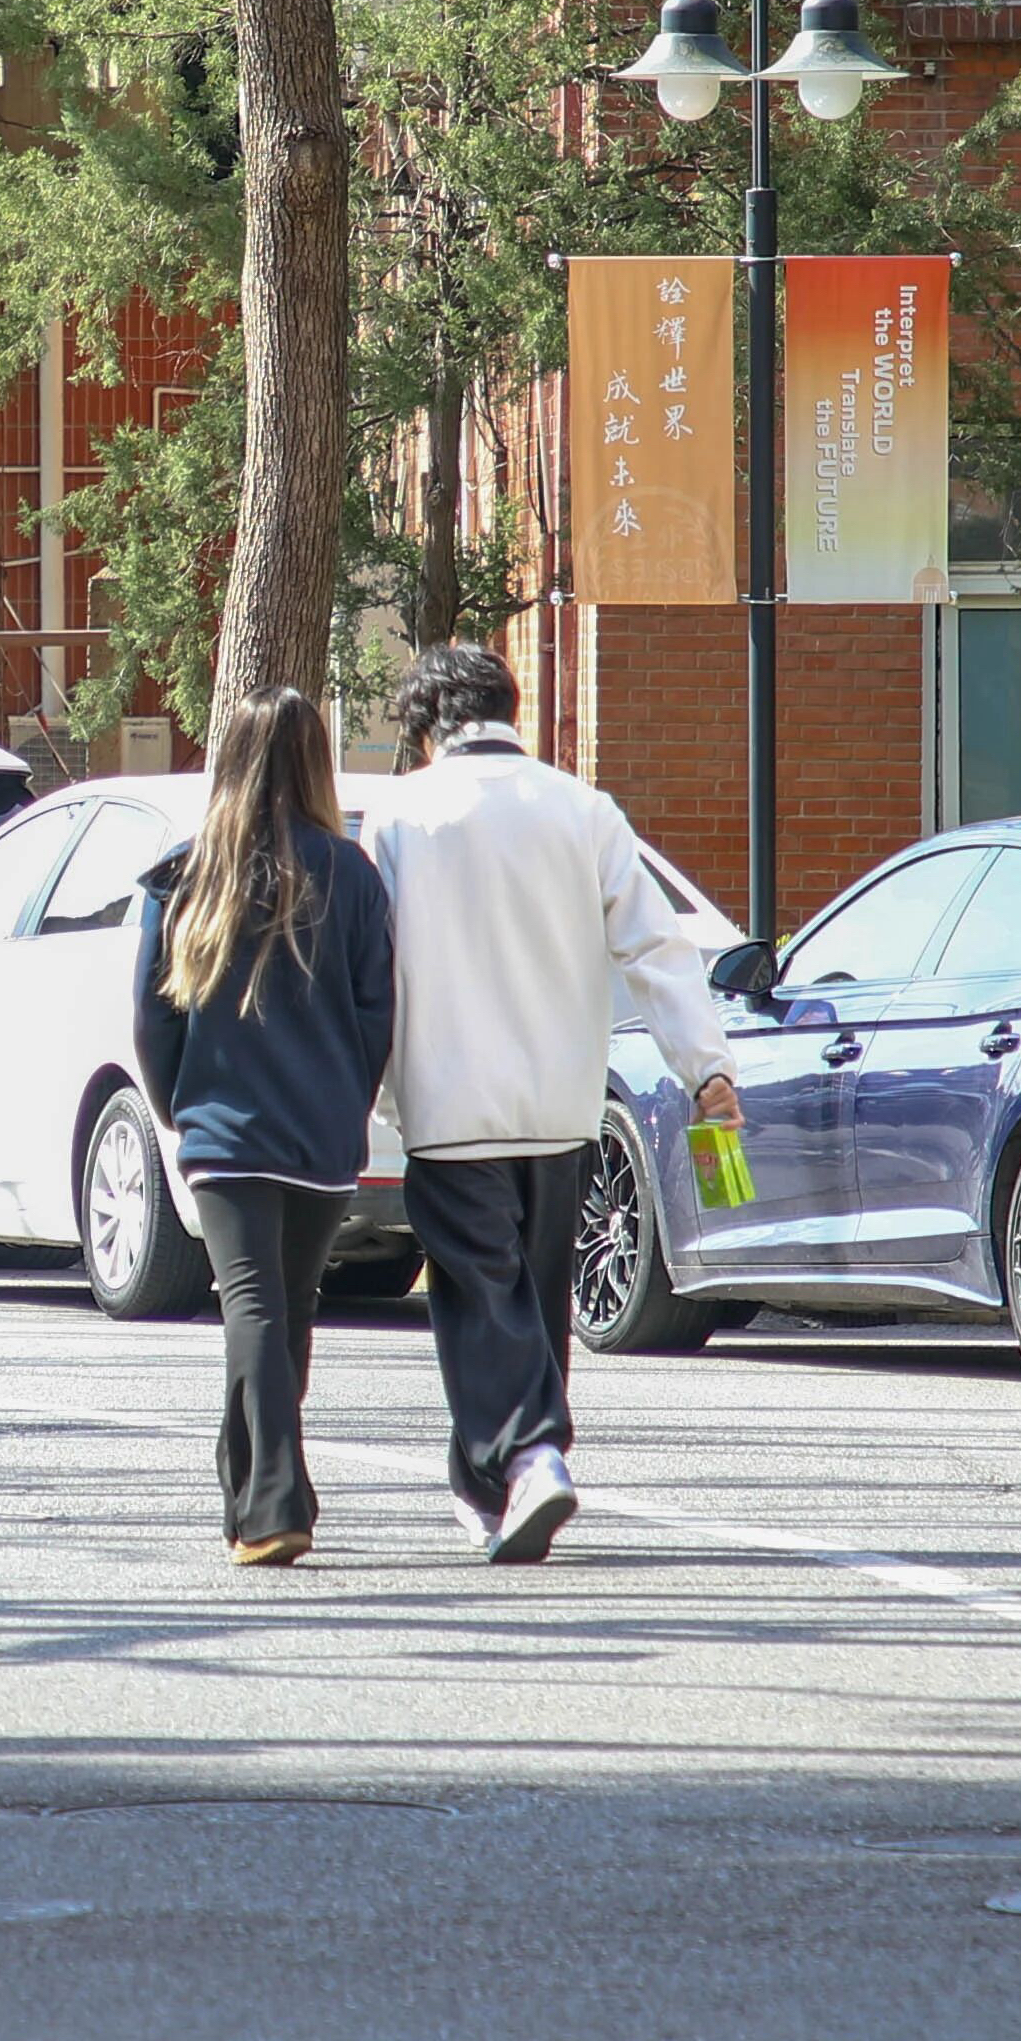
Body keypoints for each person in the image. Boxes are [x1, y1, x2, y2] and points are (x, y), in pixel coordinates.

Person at [347, 644, 740, 1562]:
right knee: (536, 1295)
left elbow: (371, 966)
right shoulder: (583, 808)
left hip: (449, 1098)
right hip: (561, 1098)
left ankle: (530, 1456)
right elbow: (656, 947)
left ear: (424, 728)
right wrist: (705, 1067)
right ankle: (489, 1486)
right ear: (506, 709)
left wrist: (358, 1092)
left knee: (481, 1295)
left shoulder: (401, 813)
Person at [130, 687, 402, 1564]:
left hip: (224, 1124)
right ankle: (247, 1483)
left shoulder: (186, 869)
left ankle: (276, 1498)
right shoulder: (352, 872)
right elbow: (374, 1013)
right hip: (320, 1128)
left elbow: (151, 1014)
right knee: (288, 1310)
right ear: (316, 762)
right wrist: (346, 1101)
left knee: (252, 1306)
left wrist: (180, 1107)